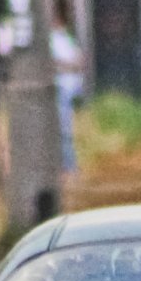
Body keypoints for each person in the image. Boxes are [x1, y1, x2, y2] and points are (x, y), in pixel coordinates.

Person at [50, 12, 85, 174]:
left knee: (65, 130)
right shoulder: (51, 39)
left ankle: (69, 166)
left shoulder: (65, 38)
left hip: (68, 88)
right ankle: (67, 166)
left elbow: (79, 60)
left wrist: (69, 65)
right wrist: (68, 65)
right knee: (62, 130)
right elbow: (52, 63)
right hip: (59, 87)